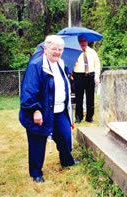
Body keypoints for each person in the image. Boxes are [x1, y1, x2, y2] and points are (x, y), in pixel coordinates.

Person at [19, 35, 78, 183]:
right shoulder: (36, 65)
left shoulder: (61, 63)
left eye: (60, 49)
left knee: (65, 136)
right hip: (41, 112)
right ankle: (36, 173)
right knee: (37, 142)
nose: (57, 52)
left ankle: (67, 161)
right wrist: (35, 110)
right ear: (46, 49)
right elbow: (28, 91)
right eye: (54, 49)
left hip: (59, 111)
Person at [73, 35, 100, 123]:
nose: (83, 43)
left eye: (84, 41)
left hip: (90, 76)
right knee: (79, 98)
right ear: (78, 42)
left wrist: (96, 76)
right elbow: (70, 64)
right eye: (81, 41)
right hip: (78, 76)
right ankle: (78, 118)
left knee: (90, 98)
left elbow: (97, 65)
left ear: (87, 42)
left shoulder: (92, 52)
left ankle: (89, 117)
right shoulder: (75, 52)